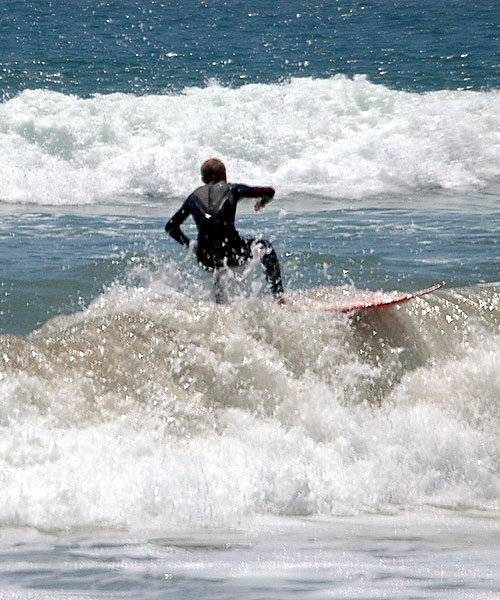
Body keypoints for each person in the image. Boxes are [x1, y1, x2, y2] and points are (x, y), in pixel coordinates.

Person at [165, 158, 284, 304]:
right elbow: (269, 191)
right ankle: (279, 297)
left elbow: (171, 227)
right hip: (232, 251)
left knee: (216, 267)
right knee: (266, 247)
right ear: (225, 173)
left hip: (205, 257)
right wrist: (262, 202)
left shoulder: (194, 197)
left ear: (203, 179)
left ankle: (219, 306)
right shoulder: (233, 189)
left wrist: (191, 244)